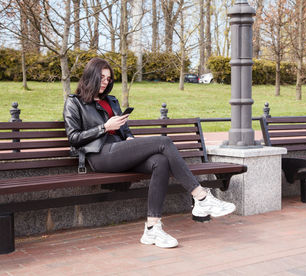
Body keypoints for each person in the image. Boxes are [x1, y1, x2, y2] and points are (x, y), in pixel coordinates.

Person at [63, 57, 236, 248]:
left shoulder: (111, 101)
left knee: (160, 161)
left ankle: (152, 228)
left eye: (108, 78)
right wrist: (104, 127)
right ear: (91, 76)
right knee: (164, 142)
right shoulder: (74, 102)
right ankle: (201, 197)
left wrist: (128, 138)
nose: (106, 82)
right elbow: (74, 137)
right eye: (102, 77)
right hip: (100, 155)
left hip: (120, 151)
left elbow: (125, 130)